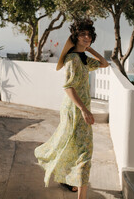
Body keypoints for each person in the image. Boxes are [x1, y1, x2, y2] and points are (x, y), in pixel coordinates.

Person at [34, 18, 109, 199]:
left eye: (89, 35)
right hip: (74, 109)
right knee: (83, 150)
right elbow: (68, 87)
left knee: (76, 147)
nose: (86, 37)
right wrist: (84, 109)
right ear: (75, 36)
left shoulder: (83, 58)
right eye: (82, 34)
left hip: (81, 108)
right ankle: (74, 186)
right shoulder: (72, 59)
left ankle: (66, 179)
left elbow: (104, 64)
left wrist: (90, 49)